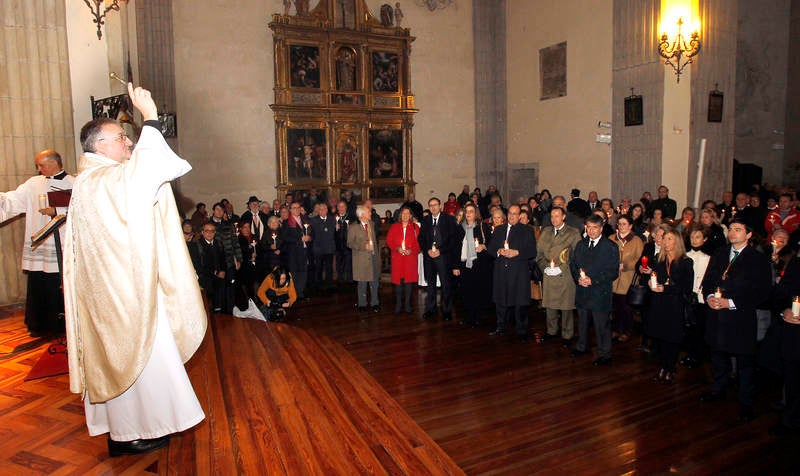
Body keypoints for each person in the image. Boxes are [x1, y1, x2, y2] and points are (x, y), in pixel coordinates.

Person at [63, 83, 206, 457]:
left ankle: (129, 430)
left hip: (121, 290)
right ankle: (129, 434)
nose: (128, 144)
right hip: (125, 296)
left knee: (133, 364)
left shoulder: (95, 181)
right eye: (120, 138)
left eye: (128, 138)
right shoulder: (101, 179)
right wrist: (152, 119)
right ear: (98, 146)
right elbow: (143, 175)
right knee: (138, 359)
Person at [700, 218, 772, 422]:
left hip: (740, 317)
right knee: (717, 358)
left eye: (738, 229)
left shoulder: (757, 259)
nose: (732, 233)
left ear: (748, 234)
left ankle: (746, 402)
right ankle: (718, 389)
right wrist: (709, 298)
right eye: (730, 229)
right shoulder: (720, 253)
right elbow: (708, 281)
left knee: (745, 364)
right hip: (716, 314)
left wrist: (730, 302)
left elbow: (762, 292)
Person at [1, 149, 74, 337]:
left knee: (57, 285)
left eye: (41, 165)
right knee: (38, 284)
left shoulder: (74, 183)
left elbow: (83, 211)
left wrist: (56, 210)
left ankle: (61, 325)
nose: (38, 168)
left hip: (61, 245)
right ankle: (38, 323)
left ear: (54, 163)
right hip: (39, 243)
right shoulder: (33, 184)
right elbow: (13, 201)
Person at [569, 214, 620, 366]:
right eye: (588, 227)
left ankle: (605, 353)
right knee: (582, 322)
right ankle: (582, 346)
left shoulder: (610, 246)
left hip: (600, 291)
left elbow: (613, 271)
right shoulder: (581, 244)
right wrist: (578, 278)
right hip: (583, 290)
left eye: (595, 228)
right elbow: (573, 265)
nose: (591, 231)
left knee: (601, 325)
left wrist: (594, 280)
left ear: (601, 228)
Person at [645, 230, 694, 384]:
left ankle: (670, 368)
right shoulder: (659, 259)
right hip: (659, 303)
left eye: (669, 239)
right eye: (664, 239)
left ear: (677, 242)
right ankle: (662, 366)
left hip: (675, 305)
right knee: (660, 337)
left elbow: (686, 287)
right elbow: (654, 277)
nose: (665, 242)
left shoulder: (685, 262)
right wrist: (650, 282)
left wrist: (665, 288)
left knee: (672, 338)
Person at [488, 205, 538, 342]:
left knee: (520, 302)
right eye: (510, 213)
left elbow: (532, 251)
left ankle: (522, 330)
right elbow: (491, 249)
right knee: (500, 300)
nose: (512, 216)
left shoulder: (527, 230)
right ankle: (500, 326)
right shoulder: (499, 230)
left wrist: (517, 253)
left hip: (518, 271)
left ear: (519, 215)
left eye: (515, 214)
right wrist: (499, 251)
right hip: (501, 271)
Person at [537, 206, 581, 345]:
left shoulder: (573, 233)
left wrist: (561, 268)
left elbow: (577, 256)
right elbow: (539, 254)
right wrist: (545, 268)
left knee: (566, 307)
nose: (554, 219)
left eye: (557, 216)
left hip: (565, 275)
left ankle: (567, 335)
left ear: (563, 217)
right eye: (552, 216)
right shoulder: (546, 232)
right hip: (549, 275)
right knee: (550, 306)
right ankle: (551, 331)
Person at [419, 197, 459, 320]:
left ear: (440, 206)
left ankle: (446, 310)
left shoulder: (449, 219)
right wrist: (427, 250)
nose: (433, 207)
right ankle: (431, 309)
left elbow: (453, 240)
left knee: (446, 285)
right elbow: (421, 239)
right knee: (430, 285)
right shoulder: (425, 220)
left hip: (443, 257)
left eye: (435, 205)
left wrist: (440, 251)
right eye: (430, 205)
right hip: (429, 257)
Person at [453, 202, 492, 327]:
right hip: (465, 264)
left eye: (471, 211)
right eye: (467, 211)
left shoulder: (482, 226)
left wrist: (484, 246)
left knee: (478, 291)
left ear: (476, 214)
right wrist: (455, 266)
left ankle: (478, 318)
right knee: (466, 292)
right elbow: (455, 249)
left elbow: (491, 243)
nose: (468, 214)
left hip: (479, 264)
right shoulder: (460, 228)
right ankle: (468, 317)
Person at [610, 215, 644, 343]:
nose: (621, 226)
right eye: (619, 224)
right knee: (615, 307)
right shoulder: (612, 238)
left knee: (626, 308)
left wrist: (626, 265)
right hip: (613, 280)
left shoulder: (636, 241)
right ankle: (616, 328)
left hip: (628, 279)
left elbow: (639, 259)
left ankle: (626, 330)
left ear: (630, 226)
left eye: (624, 224)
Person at [682, 225, 711, 368]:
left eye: (698, 237)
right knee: (688, 327)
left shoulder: (709, 258)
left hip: (700, 297)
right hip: (687, 296)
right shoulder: (685, 255)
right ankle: (689, 354)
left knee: (698, 328)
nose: (694, 239)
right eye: (692, 237)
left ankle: (697, 356)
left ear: (704, 239)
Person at [386, 206, 420, 314]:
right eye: (403, 213)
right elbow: (389, 240)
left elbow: (420, 243)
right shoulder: (394, 226)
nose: (405, 215)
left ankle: (407, 305)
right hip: (398, 257)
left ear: (410, 216)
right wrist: (396, 248)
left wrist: (412, 250)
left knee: (409, 282)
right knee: (398, 282)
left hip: (410, 258)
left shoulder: (415, 227)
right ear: (401, 215)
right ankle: (398, 304)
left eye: (407, 213)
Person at [348, 205, 380, 312]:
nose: (370, 213)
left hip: (373, 258)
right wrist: (363, 246)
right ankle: (362, 304)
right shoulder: (353, 227)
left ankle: (375, 303)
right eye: (368, 212)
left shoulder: (372, 224)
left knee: (374, 282)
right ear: (362, 215)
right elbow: (349, 243)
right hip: (361, 259)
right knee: (362, 283)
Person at [282, 201, 311, 300]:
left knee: (303, 272)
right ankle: (294, 294)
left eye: (298, 207)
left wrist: (309, 238)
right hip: (293, 252)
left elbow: (312, 233)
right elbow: (285, 237)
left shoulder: (305, 219)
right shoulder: (287, 222)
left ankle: (300, 293)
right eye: (294, 208)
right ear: (290, 210)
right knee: (294, 273)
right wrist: (300, 239)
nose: (297, 209)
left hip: (304, 251)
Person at [310, 202, 336, 292]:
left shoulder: (332, 219)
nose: (322, 211)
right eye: (320, 209)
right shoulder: (313, 220)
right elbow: (314, 233)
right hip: (318, 248)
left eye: (324, 209)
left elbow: (333, 232)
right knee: (319, 267)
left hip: (329, 247)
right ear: (318, 211)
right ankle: (319, 284)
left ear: (327, 210)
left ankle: (329, 284)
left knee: (329, 267)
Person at [333, 201, 353, 286]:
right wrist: (335, 229)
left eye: (343, 206)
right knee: (339, 264)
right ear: (337, 208)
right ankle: (340, 281)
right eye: (339, 206)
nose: (341, 208)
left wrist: (350, 229)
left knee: (348, 264)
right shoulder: (333, 218)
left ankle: (349, 281)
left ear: (346, 207)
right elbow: (330, 233)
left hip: (348, 245)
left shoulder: (351, 217)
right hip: (338, 245)